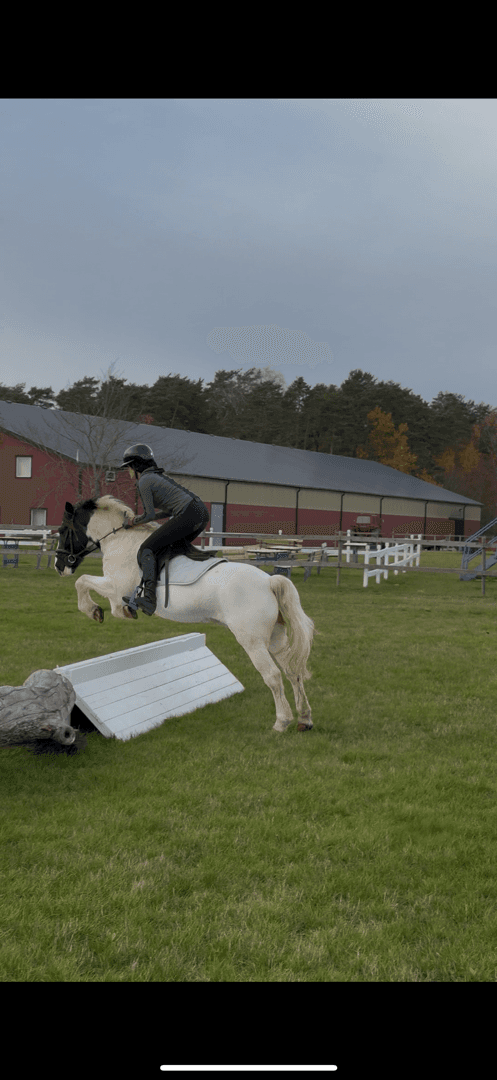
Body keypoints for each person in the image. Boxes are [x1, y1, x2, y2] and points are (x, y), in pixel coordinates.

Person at [119, 443, 211, 616]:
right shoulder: (157, 477)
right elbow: (167, 512)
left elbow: (148, 514)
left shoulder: (145, 481)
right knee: (164, 550)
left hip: (189, 514)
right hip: (200, 513)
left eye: (129, 468)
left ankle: (149, 600)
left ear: (136, 466)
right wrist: (139, 521)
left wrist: (132, 522)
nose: (129, 472)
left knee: (146, 549)